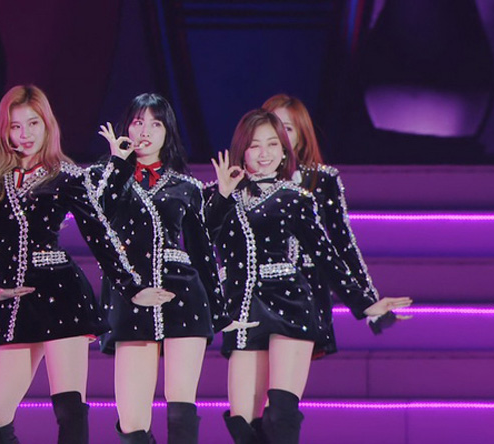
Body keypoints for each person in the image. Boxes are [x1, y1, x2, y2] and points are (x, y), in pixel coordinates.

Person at [0, 85, 157, 444]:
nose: (25, 134)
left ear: (47, 125)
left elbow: (99, 233)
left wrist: (132, 287)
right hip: (15, 300)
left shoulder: (66, 176)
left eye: (33, 123)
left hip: (62, 294)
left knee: (69, 410)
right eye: (16, 126)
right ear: (4, 130)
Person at [205, 109, 412, 444]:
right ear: (241, 150)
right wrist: (223, 196)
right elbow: (203, 242)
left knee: (281, 416)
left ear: (285, 150)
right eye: (255, 145)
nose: (264, 153)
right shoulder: (217, 196)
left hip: (289, 302)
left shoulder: (297, 198)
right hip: (243, 310)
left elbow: (326, 255)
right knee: (242, 424)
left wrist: (365, 304)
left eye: (273, 144)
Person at [97, 93, 254, 444]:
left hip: (183, 293)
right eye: (138, 122)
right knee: (132, 422)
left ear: (168, 131)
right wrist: (119, 164)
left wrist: (223, 198)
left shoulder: (187, 186)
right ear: (126, 127)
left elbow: (202, 249)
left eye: (156, 124)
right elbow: (100, 217)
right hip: (132, 296)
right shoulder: (105, 174)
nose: (145, 132)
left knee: (181, 409)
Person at [261, 94, 403, 356]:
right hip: (258, 291)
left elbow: (342, 244)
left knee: (287, 377)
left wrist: (368, 301)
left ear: (302, 135)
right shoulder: (245, 184)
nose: (279, 136)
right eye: (273, 127)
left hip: (306, 291)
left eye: (288, 129)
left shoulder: (322, 180)